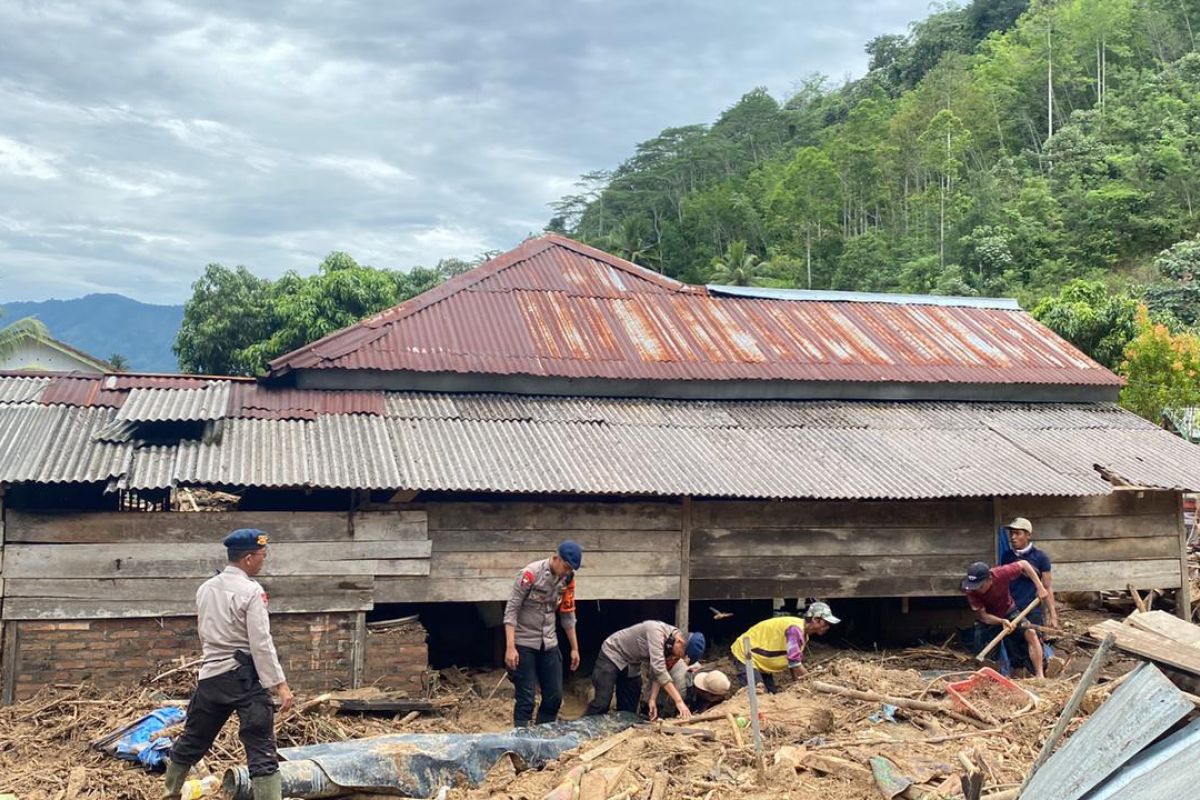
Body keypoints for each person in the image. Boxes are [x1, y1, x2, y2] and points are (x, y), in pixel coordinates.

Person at [163, 530, 293, 800]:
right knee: (261, 747)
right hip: (243, 680)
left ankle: (170, 793)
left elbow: (204, 632)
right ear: (248, 558)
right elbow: (261, 642)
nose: (264, 560)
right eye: (262, 555)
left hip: (211, 677)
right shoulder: (251, 591)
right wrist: (279, 684)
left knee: (193, 738)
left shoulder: (205, 589)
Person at [503, 540, 582, 727]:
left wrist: (574, 648)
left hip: (549, 641)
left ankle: (543, 735)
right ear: (556, 558)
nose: (567, 572)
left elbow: (568, 613)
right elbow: (511, 610)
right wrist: (510, 647)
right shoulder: (530, 574)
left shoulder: (568, 579)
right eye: (566, 567)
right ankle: (521, 739)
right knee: (526, 699)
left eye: (571, 569)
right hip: (524, 641)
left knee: (554, 697)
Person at [586, 620, 704, 720]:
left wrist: (652, 699)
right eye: (682, 655)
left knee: (629, 709)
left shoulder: (672, 645)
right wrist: (679, 702)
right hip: (613, 654)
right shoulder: (657, 632)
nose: (679, 658)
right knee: (602, 702)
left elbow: (657, 672)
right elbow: (659, 670)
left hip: (632, 663)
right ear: (680, 642)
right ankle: (583, 728)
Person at [961, 560, 1049, 678]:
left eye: (980, 586)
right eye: (975, 587)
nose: (977, 590)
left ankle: (1040, 675)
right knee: (986, 655)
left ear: (989, 579)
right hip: (989, 619)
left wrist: (1040, 587)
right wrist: (1001, 621)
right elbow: (984, 616)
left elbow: (1024, 564)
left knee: (1031, 633)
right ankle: (990, 677)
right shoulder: (970, 591)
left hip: (1009, 611)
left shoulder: (1001, 573)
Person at [732, 602, 839, 693]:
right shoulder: (795, 630)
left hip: (761, 660)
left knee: (771, 694)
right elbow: (795, 664)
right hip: (747, 654)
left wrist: (799, 684)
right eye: (826, 623)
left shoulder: (803, 634)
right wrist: (810, 681)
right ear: (815, 619)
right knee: (758, 694)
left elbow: (793, 662)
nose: (827, 627)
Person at [1001, 517, 1059, 630]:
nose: (1013, 537)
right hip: (1012, 609)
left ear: (1028, 535)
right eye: (1011, 533)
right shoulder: (1007, 556)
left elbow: (1047, 587)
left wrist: (1053, 615)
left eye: (1017, 533)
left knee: (1035, 637)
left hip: (1033, 609)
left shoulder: (1040, 557)